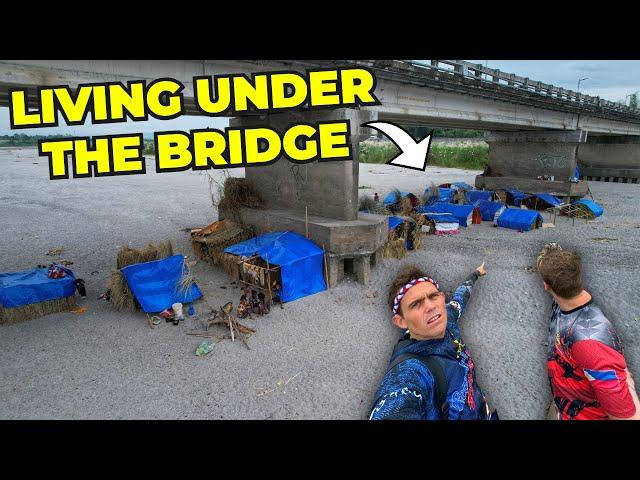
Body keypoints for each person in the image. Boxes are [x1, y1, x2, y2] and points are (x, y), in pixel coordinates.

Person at [369, 262, 497, 420]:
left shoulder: (447, 319)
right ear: (401, 321)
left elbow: (460, 297)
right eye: (416, 304)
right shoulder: (411, 371)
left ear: (442, 299)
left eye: (433, 296)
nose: (430, 306)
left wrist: (476, 274)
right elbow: (396, 403)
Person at [537, 243, 640, 420]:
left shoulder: (590, 343)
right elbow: (561, 270)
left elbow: (628, 416)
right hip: (564, 405)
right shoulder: (563, 302)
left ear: (546, 285)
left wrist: (628, 385)